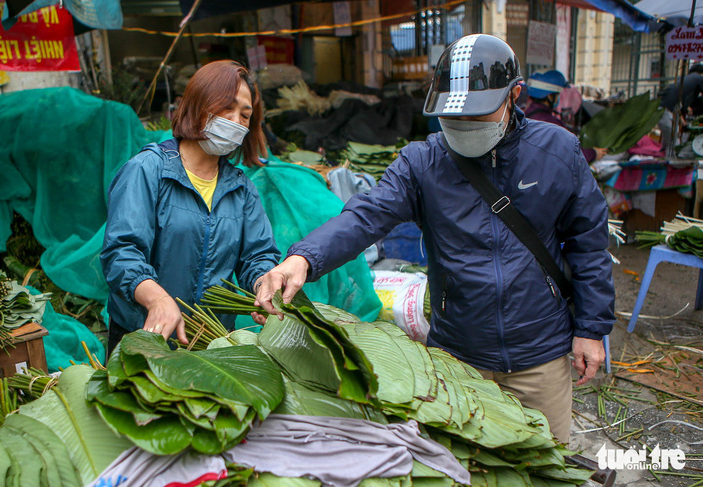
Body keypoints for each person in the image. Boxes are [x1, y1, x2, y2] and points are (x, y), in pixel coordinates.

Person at [254, 34, 615, 444]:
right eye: (451, 118)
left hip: (540, 356)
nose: (462, 128)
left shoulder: (557, 151)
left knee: (547, 460)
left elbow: (588, 244)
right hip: (456, 357)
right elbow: (366, 216)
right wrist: (302, 259)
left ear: (514, 94)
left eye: (476, 116)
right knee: (464, 466)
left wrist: (590, 327)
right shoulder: (423, 162)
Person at [101, 60, 280, 356]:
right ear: (199, 104)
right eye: (227, 108)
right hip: (144, 338)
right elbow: (121, 253)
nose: (236, 121)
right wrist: (157, 300)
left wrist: (263, 285)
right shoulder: (148, 170)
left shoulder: (241, 188)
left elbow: (257, 256)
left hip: (210, 343)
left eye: (245, 115)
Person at [524, 70, 606, 163]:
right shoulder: (550, 124)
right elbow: (571, 153)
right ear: (550, 96)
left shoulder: (526, 116)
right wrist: (594, 153)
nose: (559, 98)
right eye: (558, 95)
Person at [658, 63, 703, 150]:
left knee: (667, 143)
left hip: (662, 110)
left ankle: (664, 157)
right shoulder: (699, 78)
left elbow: (679, 107)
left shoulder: (684, 82)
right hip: (665, 112)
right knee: (674, 145)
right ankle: (671, 162)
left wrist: (684, 123)